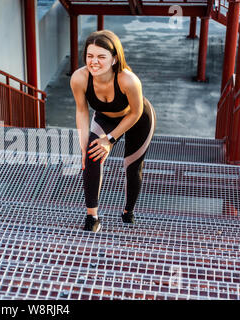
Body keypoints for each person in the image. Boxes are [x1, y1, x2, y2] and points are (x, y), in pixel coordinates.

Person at [70, 30, 156, 232]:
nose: (94, 62)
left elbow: (135, 113)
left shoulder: (129, 80)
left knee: (132, 166)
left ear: (114, 58)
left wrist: (109, 140)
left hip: (137, 119)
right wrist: (84, 146)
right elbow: (82, 110)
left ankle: (128, 212)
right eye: (90, 56)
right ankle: (92, 218)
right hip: (105, 117)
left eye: (101, 57)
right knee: (91, 154)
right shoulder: (79, 78)